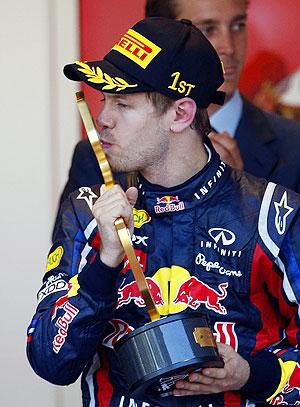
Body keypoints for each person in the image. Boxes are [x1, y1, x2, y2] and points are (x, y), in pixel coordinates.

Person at [27, 17, 300, 407]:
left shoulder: (274, 215)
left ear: (181, 114)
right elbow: (49, 362)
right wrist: (104, 262)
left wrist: (252, 374)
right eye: (104, 100)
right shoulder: (88, 213)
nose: (103, 117)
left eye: (123, 103)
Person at [52, 0, 300, 239]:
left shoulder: (295, 145)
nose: (228, 46)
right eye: (207, 29)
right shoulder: (95, 154)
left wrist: (241, 197)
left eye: (237, 25)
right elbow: (70, 266)